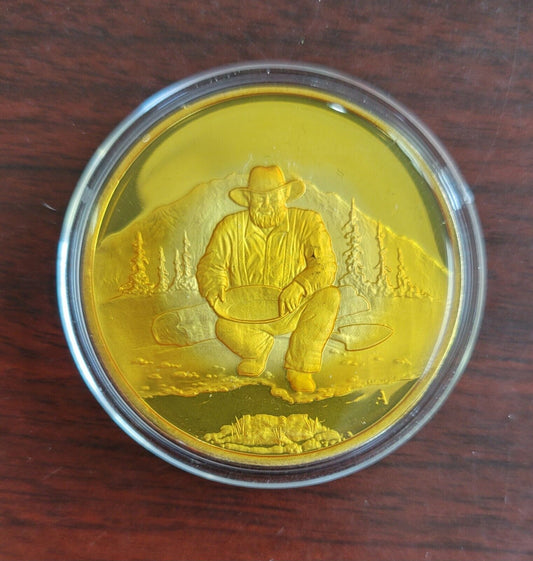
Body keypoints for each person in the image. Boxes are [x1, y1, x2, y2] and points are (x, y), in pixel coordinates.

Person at [196, 165, 340, 392]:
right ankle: (256, 351)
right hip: (246, 315)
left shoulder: (307, 221)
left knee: (329, 297)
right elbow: (211, 265)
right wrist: (215, 285)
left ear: (285, 195)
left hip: (293, 308)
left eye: (273, 197)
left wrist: (299, 285)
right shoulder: (230, 226)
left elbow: (325, 265)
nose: (266, 204)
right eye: (259, 198)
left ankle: (300, 367)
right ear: (248, 199)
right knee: (224, 327)